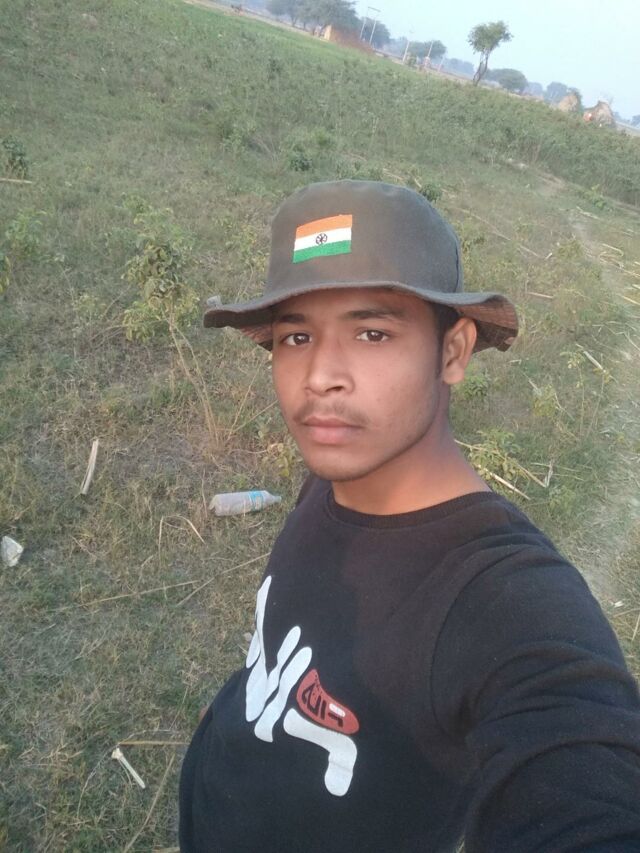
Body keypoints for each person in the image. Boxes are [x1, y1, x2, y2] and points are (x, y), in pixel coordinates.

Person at [179, 180, 640, 852]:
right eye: (296, 335)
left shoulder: (507, 600)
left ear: (452, 352)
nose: (320, 376)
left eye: (372, 332)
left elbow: (580, 767)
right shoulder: (333, 482)